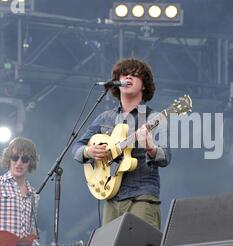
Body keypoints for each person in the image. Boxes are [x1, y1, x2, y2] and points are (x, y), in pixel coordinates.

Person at [72, 58, 171, 230]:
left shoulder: (153, 119)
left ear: (145, 85)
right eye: (124, 75)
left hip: (141, 197)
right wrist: (90, 151)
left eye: (135, 75)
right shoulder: (105, 118)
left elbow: (166, 157)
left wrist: (150, 147)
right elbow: (77, 148)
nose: (128, 78)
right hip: (111, 196)